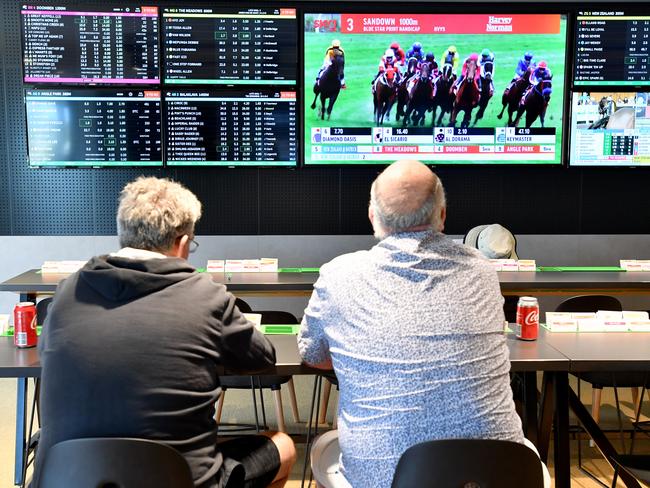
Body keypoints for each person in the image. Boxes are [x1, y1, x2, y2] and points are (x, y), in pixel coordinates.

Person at [298, 160, 550, 488]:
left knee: (322, 447)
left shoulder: (338, 274)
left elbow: (313, 355)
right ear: (442, 216)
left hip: (382, 481)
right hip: (500, 475)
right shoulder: (483, 272)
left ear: (373, 217)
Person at [36, 177, 296, 488]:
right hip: (182, 480)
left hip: (65, 479)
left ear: (122, 235)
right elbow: (262, 358)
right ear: (183, 243)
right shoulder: (206, 295)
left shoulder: (66, 294)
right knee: (283, 445)